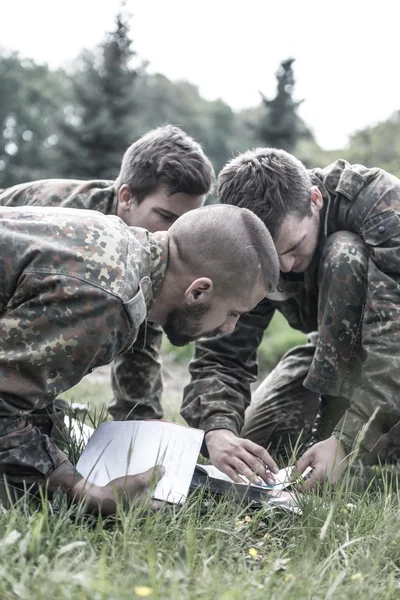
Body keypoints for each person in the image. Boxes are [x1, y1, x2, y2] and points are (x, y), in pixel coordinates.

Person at [0, 202, 279, 513]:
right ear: (198, 291)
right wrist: (83, 490)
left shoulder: (118, 241)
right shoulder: (109, 297)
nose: (229, 328)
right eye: (232, 312)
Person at [182, 148, 400, 491]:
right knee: (254, 445)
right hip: (328, 355)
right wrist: (217, 428)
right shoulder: (242, 242)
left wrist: (346, 439)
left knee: (343, 252)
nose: (283, 267)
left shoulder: (381, 204)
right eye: (272, 256)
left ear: (315, 199)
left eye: (293, 247)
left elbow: (393, 345)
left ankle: (354, 449)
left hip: (389, 353)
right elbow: (223, 349)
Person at [0, 124, 215, 423]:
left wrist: (142, 426)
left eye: (186, 222)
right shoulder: (71, 220)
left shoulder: (148, 254)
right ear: (126, 197)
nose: (174, 234)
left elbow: (140, 341)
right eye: (166, 217)